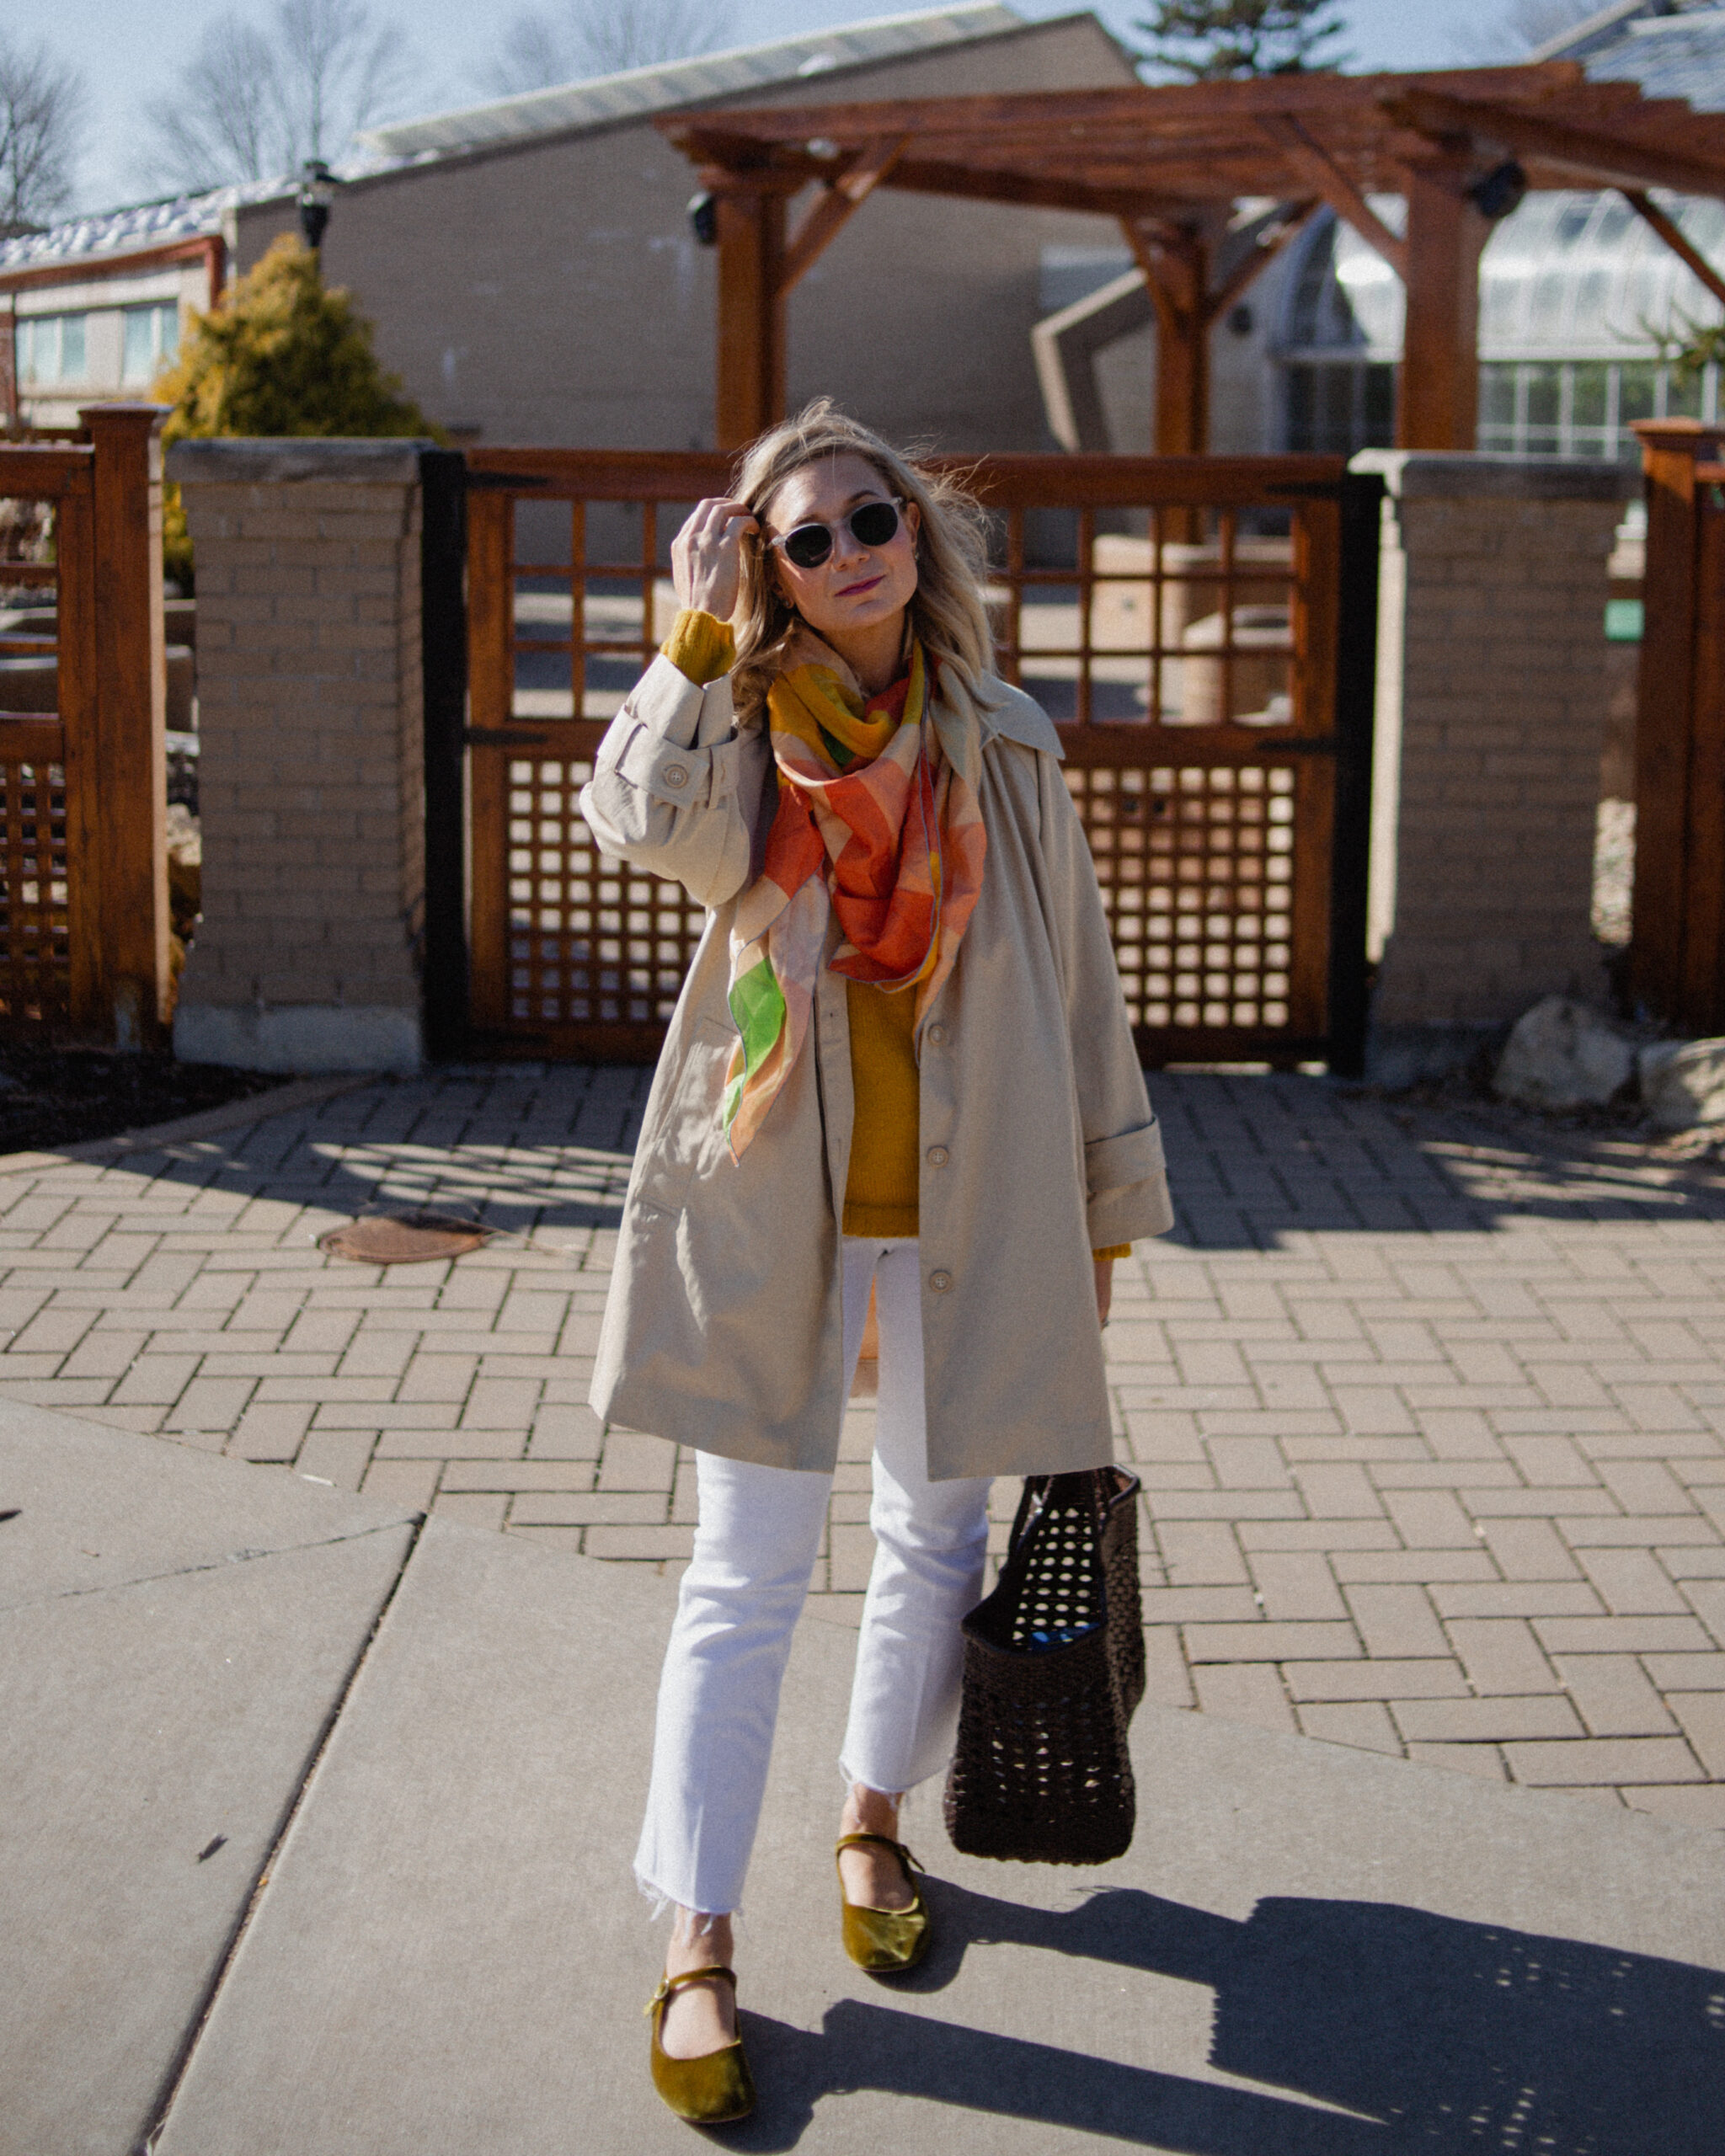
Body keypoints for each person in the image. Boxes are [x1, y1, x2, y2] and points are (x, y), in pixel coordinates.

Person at [579, 402, 1173, 2126]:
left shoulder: (1004, 738)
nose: (849, 551)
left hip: (975, 1208)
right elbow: (634, 821)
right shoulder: (735, 729)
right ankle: (695, 1930)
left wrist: (1105, 1205)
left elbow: (1073, 986)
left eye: (871, 517)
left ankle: (871, 1813)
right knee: (744, 1567)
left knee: (935, 1528)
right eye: (806, 537)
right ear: (768, 568)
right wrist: (691, 635)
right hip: (779, 1205)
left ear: (916, 530)